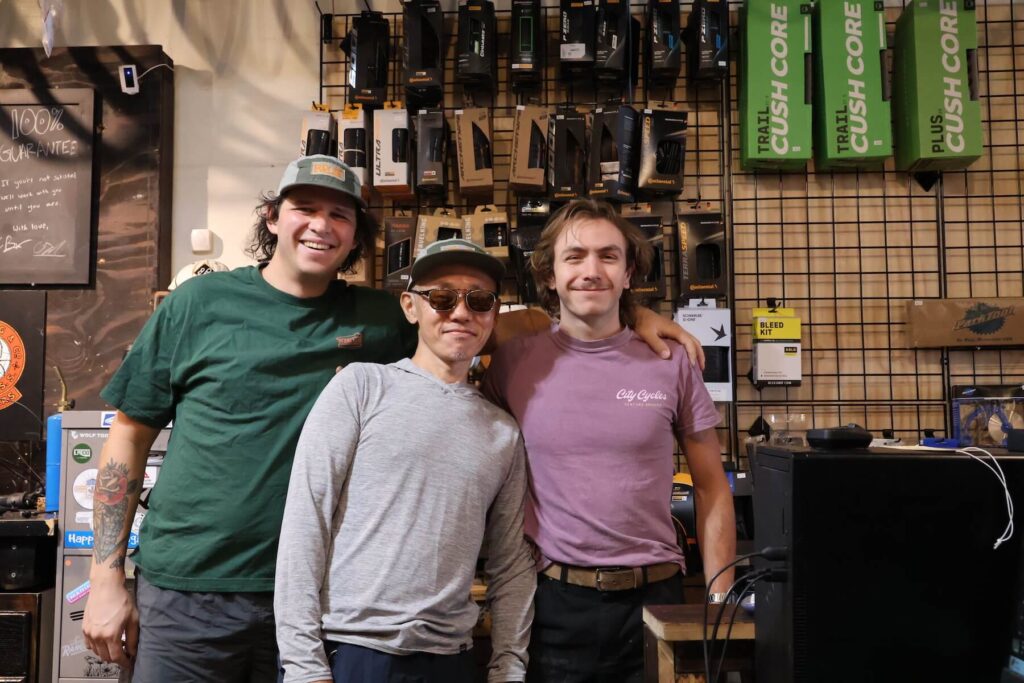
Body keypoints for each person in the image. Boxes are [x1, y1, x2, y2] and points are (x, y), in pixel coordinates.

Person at [81, 154, 701, 681]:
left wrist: (630, 315)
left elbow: (520, 321)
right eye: (304, 208)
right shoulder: (199, 303)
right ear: (272, 217)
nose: (320, 225)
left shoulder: (376, 319)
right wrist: (106, 579)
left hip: (316, 608)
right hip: (192, 589)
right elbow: (128, 436)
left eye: (340, 215)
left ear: (357, 236)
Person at [482, 199, 736, 683]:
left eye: (608, 256)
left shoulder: (670, 361)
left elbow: (711, 487)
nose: (592, 270)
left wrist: (720, 600)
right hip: (555, 606)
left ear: (629, 273)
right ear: (550, 275)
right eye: (574, 257)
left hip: (657, 597)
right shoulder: (513, 362)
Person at [275, 239, 534, 683]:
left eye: (479, 300)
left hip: (451, 660)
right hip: (351, 652)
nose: (461, 312)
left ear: (493, 314)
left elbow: (510, 563)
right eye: (442, 297)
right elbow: (306, 521)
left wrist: (509, 667)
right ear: (411, 307)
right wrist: (303, 665)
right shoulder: (361, 387)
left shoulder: (503, 432)